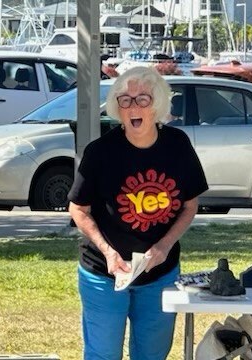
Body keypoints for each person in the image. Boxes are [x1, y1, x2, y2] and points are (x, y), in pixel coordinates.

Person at [68, 66, 208, 360]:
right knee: (102, 354)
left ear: (156, 104)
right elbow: (78, 209)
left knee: (151, 355)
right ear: (117, 107)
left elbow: (190, 204)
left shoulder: (177, 145)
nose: (134, 106)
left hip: (159, 272)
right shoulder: (99, 152)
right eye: (125, 100)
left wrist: (164, 245)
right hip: (104, 273)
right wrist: (107, 252)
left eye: (143, 99)